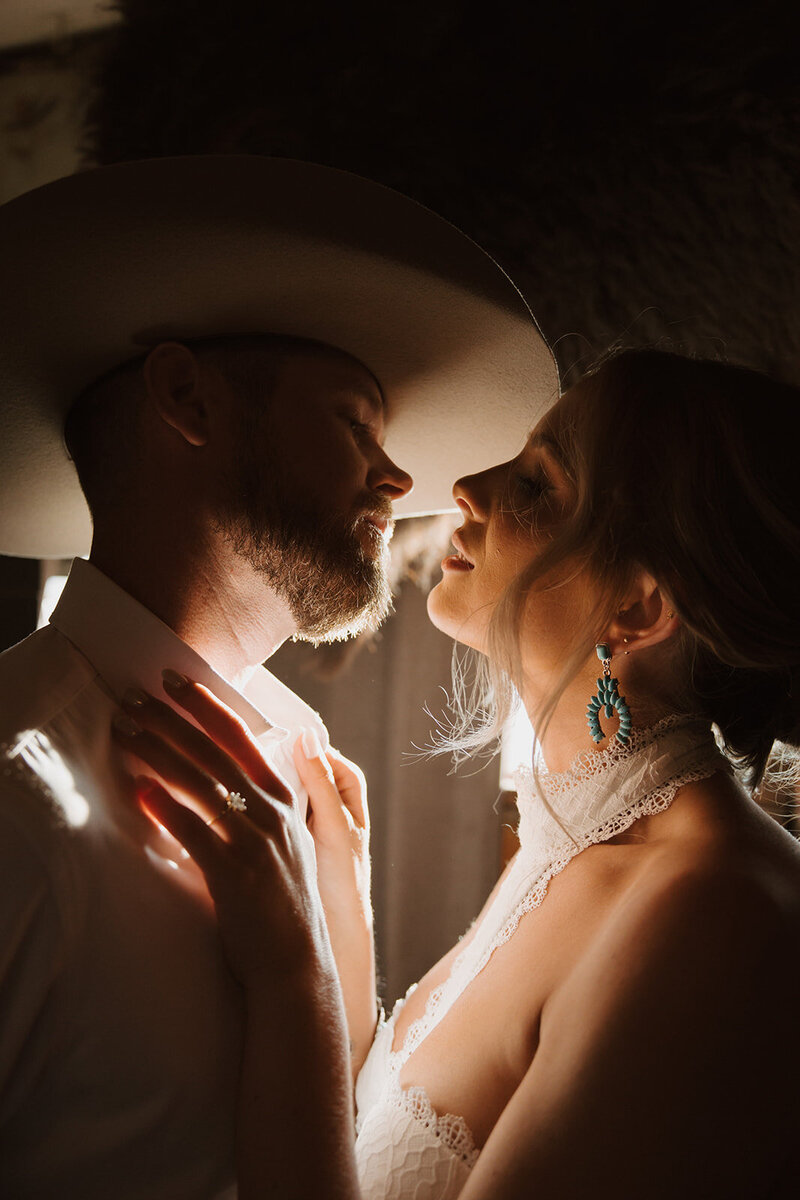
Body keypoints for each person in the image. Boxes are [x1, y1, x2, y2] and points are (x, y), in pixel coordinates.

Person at [0, 156, 557, 1197]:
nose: (397, 481)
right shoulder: (15, 793)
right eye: (355, 424)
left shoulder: (306, 772)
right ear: (185, 397)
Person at [119, 348, 800, 1199]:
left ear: (638, 607)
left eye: (539, 486)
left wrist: (290, 979)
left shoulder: (716, 907)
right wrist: (340, 929)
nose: (471, 488)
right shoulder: (576, 841)